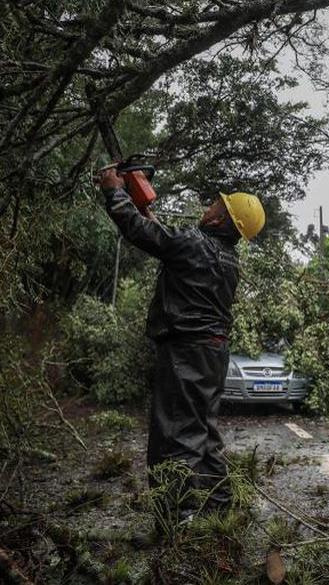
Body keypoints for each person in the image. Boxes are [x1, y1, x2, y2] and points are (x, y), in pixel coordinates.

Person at [97, 166, 265, 520]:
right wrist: (140, 199)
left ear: (221, 221)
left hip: (185, 353)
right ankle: (219, 513)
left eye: (214, 207)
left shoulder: (193, 245)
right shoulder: (228, 260)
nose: (208, 208)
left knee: (174, 439)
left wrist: (114, 190)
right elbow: (164, 239)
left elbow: (142, 233)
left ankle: (177, 524)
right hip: (213, 353)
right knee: (203, 432)